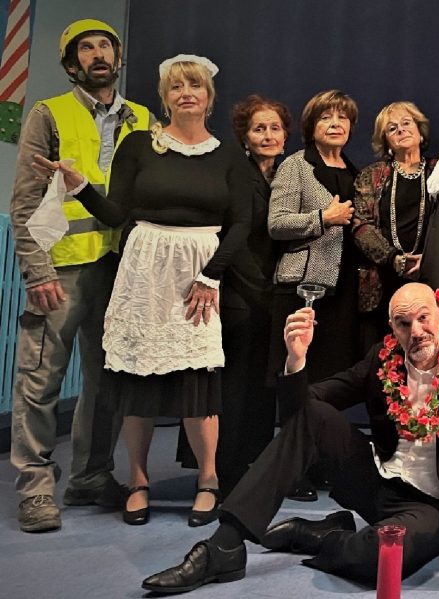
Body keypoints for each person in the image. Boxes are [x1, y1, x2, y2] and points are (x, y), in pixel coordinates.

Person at [140, 283, 439, 594]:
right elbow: (303, 411)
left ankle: (323, 537)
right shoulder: (381, 359)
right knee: (315, 416)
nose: (416, 331)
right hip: (377, 484)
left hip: (433, 508)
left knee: (379, 559)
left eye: (423, 318)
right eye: (403, 324)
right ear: (392, 328)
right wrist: (296, 360)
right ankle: (224, 545)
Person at [35, 55, 251, 528]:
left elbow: (241, 223)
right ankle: (137, 481)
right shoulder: (138, 145)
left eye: (194, 85)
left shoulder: (228, 155)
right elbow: (117, 214)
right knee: (138, 381)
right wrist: (80, 187)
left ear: (209, 96)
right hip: (145, 273)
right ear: (164, 97)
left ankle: (208, 480)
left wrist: (211, 275)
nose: (186, 93)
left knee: (197, 380)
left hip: (200, 275)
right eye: (176, 87)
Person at [8, 18, 152, 533]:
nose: (98, 54)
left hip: (120, 272)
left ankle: (91, 477)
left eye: (105, 46)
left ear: (117, 58)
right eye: (86, 48)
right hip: (62, 269)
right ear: (72, 65)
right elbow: (25, 202)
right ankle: (35, 489)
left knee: (106, 380)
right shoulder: (50, 114)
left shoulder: (143, 118)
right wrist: (37, 271)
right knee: (40, 379)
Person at [213, 95, 292, 496]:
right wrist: (258, 287)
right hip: (239, 292)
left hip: (271, 294)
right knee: (235, 385)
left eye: (275, 128)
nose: (268, 135)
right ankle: (225, 471)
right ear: (244, 136)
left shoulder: (285, 175)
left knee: (264, 384)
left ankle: (257, 466)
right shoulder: (237, 173)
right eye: (259, 128)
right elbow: (234, 236)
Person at [267, 90, 361, 382]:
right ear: (311, 126)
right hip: (303, 288)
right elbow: (276, 223)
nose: (335, 123)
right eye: (326, 117)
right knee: (299, 375)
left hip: (345, 290)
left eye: (342, 117)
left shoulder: (356, 172)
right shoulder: (296, 165)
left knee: (333, 377)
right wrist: (323, 218)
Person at [351, 101, 437, 345]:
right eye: (392, 128)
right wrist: (393, 259)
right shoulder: (371, 175)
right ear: (386, 141)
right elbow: (361, 225)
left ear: (420, 131)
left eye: (407, 123)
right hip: (382, 279)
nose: (401, 129)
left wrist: (429, 259)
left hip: (430, 273)